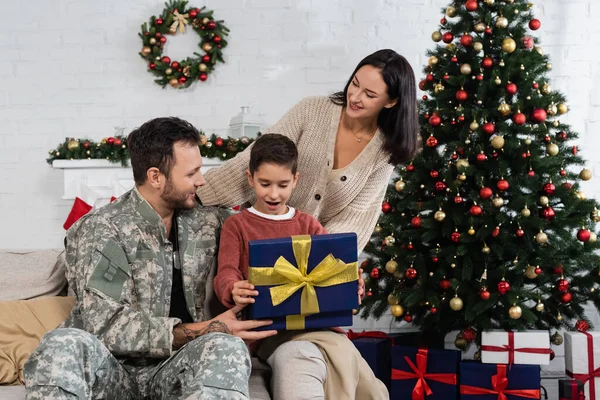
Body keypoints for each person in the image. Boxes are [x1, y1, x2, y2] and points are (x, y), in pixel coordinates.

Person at [23, 117, 277, 400]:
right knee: (62, 343)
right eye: (191, 173)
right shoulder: (102, 227)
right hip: (112, 371)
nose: (202, 180)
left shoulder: (209, 220)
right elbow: (105, 324)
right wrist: (206, 327)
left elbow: (268, 227)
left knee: (226, 346)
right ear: (156, 177)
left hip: (178, 370)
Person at [214, 133, 388, 400]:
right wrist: (232, 288)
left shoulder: (307, 224)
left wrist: (352, 283)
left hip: (315, 329)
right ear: (250, 179)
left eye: (283, 185)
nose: (273, 194)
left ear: (295, 181)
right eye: (264, 184)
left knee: (354, 368)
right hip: (265, 331)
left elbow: (334, 270)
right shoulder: (237, 225)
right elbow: (226, 271)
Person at [197, 48, 419, 253]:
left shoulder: (384, 152)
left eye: (369, 95)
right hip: (259, 237)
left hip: (312, 261)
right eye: (355, 83)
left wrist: (314, 259)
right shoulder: (311, 110)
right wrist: (198, 195)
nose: (355, 96)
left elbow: (356, 217)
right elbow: (254, 159)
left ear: (391, 102)